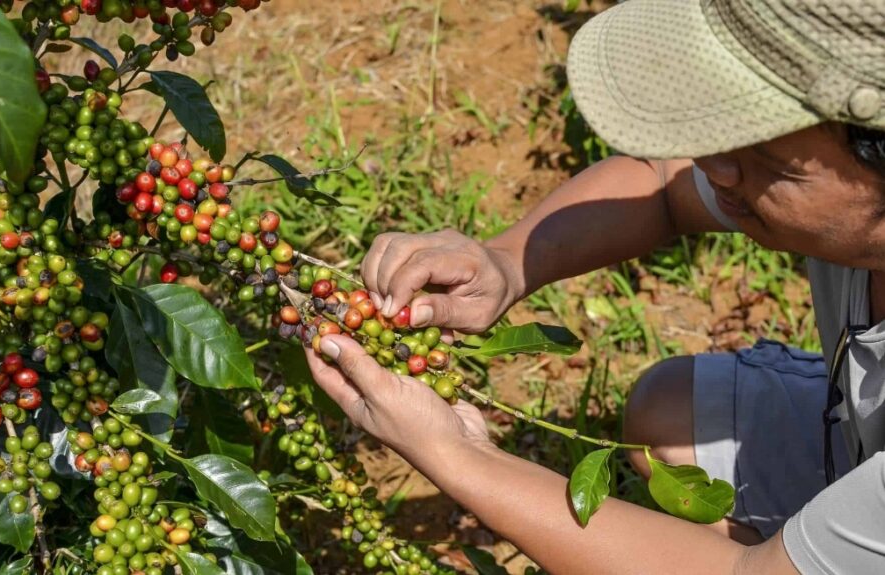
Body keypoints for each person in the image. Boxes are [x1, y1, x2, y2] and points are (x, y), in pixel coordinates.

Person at [306, 0, 885, 572]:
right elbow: (663, 185)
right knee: (671, 415)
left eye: (766, 156)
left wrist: (460, 456)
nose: (715, 165)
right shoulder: (821, 181)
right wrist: (506, 263)